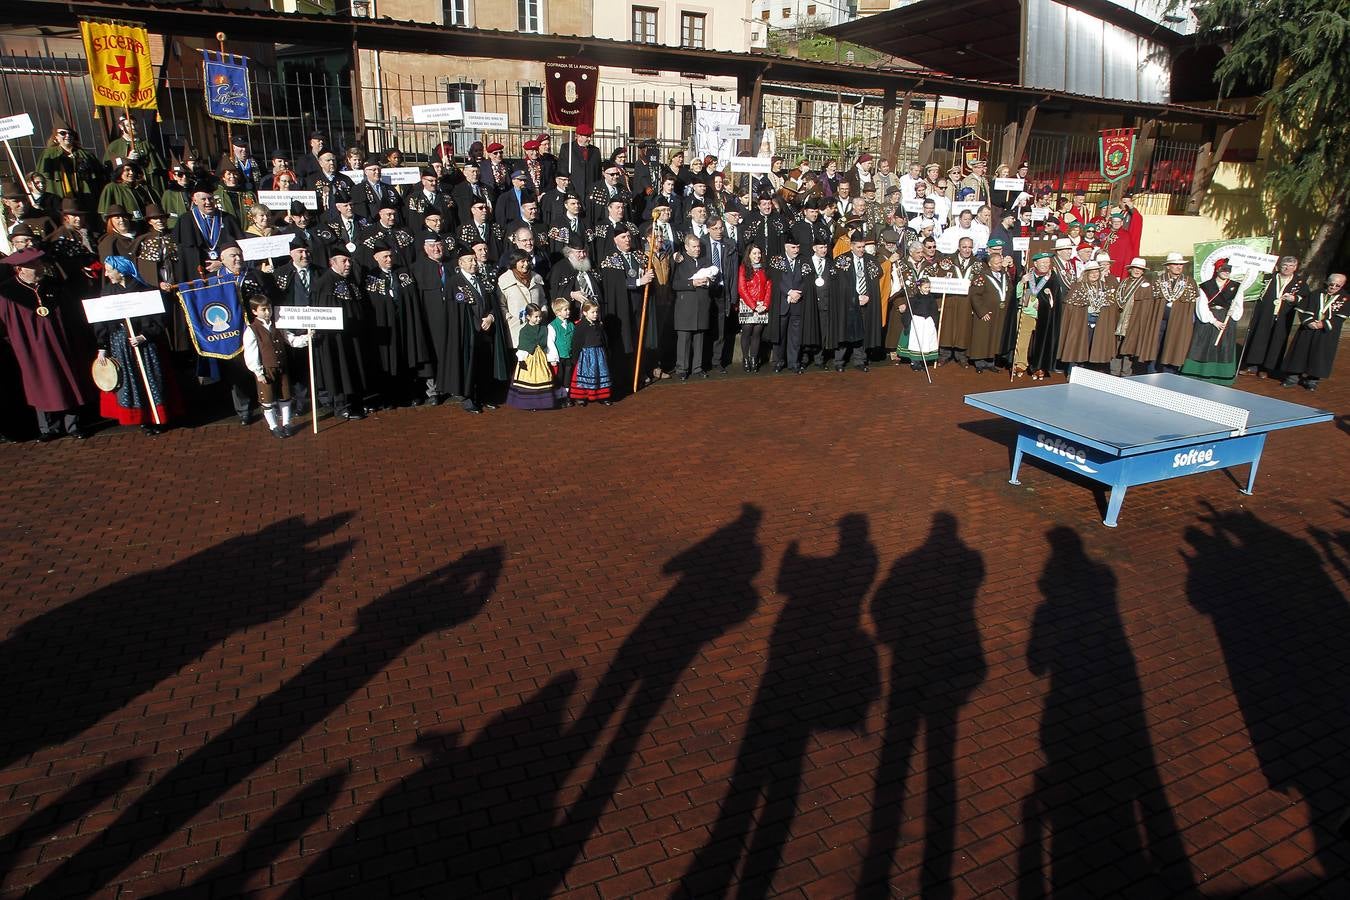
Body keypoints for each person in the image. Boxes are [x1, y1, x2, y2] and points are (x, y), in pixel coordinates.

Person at [0, 247, 91, 440]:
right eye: (33, 265)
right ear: (20, 269)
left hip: (61, 342)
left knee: (68, 378)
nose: (39, 267)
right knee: (39, 382)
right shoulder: (7, 293)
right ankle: (49, 428)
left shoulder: (54, 286)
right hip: (29, 347)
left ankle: (73, 425)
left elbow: (73, 315)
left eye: (39, 263)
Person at [96, 256, 181, 434]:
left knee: (151, 379)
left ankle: (158, 417)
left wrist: (145, 335)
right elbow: (101, 322)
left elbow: (160, 319)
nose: (107, 274)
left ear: (121, 271)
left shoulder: (145, 291)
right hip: (121, 344)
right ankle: (143, 420)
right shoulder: (107, 292)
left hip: (145, 344)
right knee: (131, 381)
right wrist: (102, 347)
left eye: (110, 270)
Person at [365, 239, 430, 408]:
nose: (389, 259)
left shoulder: (403, 273)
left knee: (407, 357)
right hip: (385, 327)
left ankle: (411, 393)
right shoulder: (371, 277)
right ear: (376, 258)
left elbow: (411, 297)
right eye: (385, 256)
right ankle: (389, 397)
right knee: (388, 360)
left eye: (390, 256)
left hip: (404, 323)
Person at [311, 249, 370, 420]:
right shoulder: (325, 283)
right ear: (332, 262)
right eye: (344, 261)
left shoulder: (349, 280)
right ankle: (341, 405)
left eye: (349, 261)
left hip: (353, 335)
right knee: (339, 368)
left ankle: (356, 402)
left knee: (353, 367)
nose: (348, 264)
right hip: (335, 338)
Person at [243, 295, 309, 439]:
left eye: (269, 309)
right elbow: (251, 353)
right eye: (264, 310)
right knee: (267, 400)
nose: (268, 312)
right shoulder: (252, 330)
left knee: (285, 396)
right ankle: (273, 426)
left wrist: (307, 338)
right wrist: (258, 372)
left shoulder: (278, 325)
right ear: (255, 311)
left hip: (282, 367)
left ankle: (286, 424)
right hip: (267, 369)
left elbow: (290, 340)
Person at [1281, 272, 1347, 391]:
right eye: (1332, 284)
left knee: (1320, 354)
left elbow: (1340, 317)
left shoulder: (1345, 298)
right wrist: (1309, 321)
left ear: (1342, 286)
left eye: (1338, 285)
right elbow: (1303, 309)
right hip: (1309, 328)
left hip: (1326, 332)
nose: (1333, 287)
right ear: (1327, 282)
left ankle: (1312, 379)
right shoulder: (1316, 294)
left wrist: (1323, 323)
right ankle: (1293, 376)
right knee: (1300, 351)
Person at [1241, 256, 1305, 378]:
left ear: (1295, 268)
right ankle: (1252, 365)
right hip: (1265, 314)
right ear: (1279, 266)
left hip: (1283, 316)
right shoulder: (1268, 277)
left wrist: (1295, 298)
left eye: (1291, 266)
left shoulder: (1299, 282)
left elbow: (1305, 297)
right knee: (1258, 338)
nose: (1287, 268)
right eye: (1284, 265)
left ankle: (1266, 368)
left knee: (1276, 340)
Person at [1181, 262, 1244, 384]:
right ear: (1217, 270)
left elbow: (1239, 305)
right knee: (1204, 345)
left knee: (1224, 346)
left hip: (1227, 319)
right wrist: (1214, 321)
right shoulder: (1206, 286)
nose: (1226, 272)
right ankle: (1199, 373)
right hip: (1210, 319)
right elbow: (1202, 306)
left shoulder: (1236, 287)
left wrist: (1233, 312)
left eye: (1229, 270)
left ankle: (1221, 376)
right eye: (1224, 269)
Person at [830, 231, 883, 372]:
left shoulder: (870, 260)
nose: (861, 250)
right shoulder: (842, 261)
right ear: (851, 246)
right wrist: (854, 297)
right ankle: (839, 361)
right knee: (845, 329)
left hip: (865, 301)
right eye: (858, 247)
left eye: (863, 247)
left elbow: (875, 281)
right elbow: (841, 284)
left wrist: (867, 295)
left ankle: (859, 359)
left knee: (863, 330)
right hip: (848, 303)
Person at [671, 232, 713, 381]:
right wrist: (691, 283)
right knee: (684, 339)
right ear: (686, 247)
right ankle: (682, 368)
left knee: (699, 338)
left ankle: (697, 367)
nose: (697, 249)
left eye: (699, 246)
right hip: (685, 306)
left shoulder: (705, 261)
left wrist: (709, 281)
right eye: (694, 247)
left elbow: (714, 278)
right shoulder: (679, 262)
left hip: (702, 304)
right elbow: (674, 284)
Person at [767, 236, 811, 374]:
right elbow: (775, 279)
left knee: (795, 336)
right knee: (780, 334)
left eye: (797, 247)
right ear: (786, 247)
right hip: (782, 303)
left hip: (797, 303)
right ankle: (778, 361)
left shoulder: (803, 260)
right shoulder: (777, 260)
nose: (796, 250)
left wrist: (798, 293)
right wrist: (789, 292)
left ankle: (794, 363)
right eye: (793, 247)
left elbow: (808, 279)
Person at [1058, 260, 1112, 371]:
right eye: (1091, 272)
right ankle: (1072, 371)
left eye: (1096, 272)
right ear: (1086, 274)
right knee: (1077, 345)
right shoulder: (1079, 286)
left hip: (1098, 322)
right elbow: (1071, 308)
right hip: (1081, 322)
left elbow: (1109, 304)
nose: (1094, 274)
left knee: (1093, 347)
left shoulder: (1104, 286)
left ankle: (1088, 373)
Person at [1114, 258, 1162, 377]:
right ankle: (1114, 372)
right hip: (1120, 317)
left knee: (1129, 346)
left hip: (1134, 319)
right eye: (1135, 268)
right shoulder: (1123, 282)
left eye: (1140, 269)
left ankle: (1126, 373)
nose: (1137, 271)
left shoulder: (1145, 285)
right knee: (1116, 344)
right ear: (1130, 269)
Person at [1023, 251, 1066, 380]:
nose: (1045, 265)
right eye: (1043, 262)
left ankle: (1040, 366)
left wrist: (1042, 302)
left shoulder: (1052, 277)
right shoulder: (1028, 275)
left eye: (1047, 262)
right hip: (1028, 312)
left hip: (1046, 315)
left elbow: (1055, 298)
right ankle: (1022, 364)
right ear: (1035, 263)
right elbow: (1024, 292)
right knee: (1026, 340)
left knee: (1043, 340)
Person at [36, 121, 101, 206]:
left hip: (84, 199)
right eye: (63, 133)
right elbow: (42, 176)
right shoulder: (49, 154)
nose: (67, 136)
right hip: (60, 199)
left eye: (70, 134)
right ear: (56, 137)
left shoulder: (85, 154)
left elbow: (97, 176)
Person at [506, 303, 557, 410]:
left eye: (540, 316)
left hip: (541, 357)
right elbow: (522, 347)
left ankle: (544, 403)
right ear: (528, 317)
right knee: (529, 379)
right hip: (529, 357)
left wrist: (551, 357)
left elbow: (548, 344)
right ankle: (529, 404)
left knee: (543, 376)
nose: (539, 319)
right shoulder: (524, 331)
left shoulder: (544, 328)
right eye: (536, 317)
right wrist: (521, 360)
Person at [1155, 252, 1200, 373]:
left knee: (1174, 345)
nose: (1179, 267)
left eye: (1181, 264)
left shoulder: (1189, 282)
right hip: (1160, 320)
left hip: (1178, 322)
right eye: (1175, 264)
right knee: (1156, 345)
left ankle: (1169, 373)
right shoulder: (1159, 281)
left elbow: (1192, 305)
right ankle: (1152, 371)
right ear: (1168, 266)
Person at [967, 252, 1012, 373]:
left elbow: (1009, 290)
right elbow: (975, 295)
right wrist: (982, 311)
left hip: (1000, 312)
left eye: (1000, 262)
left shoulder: (1004, 274)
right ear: (989, 263)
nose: (999, 265)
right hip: (986, 312)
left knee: (994, 337)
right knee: (982, 336)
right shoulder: (982, 276)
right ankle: (979, 363)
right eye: (996, 263)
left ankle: (990, 362)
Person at [497, 250, 546, 349]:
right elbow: (501, 305)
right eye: (522, 261)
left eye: (528, 261)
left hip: (536, 329)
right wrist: (510, 319)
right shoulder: (504, 280)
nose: (526, 264)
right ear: (514, 262)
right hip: (515, 330)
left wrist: (544, 313)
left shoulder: (536, 278)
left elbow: (543, 300)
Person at [569, 298, 612, 406]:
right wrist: (575, 358)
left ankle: (602, 396)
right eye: (592, 312)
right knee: (583, 376)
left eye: (597, 312)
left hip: (599, 354)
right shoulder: (580, 326)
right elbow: (576, 343)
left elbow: (604, 339)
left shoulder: (599, 325)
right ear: (585, 312)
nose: (595, 314)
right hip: (585, 355)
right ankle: (581, 397)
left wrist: (606, 352)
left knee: (599, 374)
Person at [736, 243, 772, 373]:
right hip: (747, 304)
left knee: (757, 333)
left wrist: (765, 304)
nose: (757, 256)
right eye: (754, 253)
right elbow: (742, 288)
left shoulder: (764, 268)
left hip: (762, 305)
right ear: (749, 255)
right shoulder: (743, 268)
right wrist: (753, 305)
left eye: (759, 253)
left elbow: (768, 287)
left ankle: (754, 359)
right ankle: (745, 359)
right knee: (747, 331)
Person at [558, 124, 602, 206]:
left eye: (590, 136)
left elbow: (598, 173)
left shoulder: (595, 151)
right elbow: (562, 170)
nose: (589, 139)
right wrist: (568, 188)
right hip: (573, 191)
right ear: (579, 136)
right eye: (587, 137)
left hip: (590, 194)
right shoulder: (567, 148)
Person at [546, 296, 575, 406]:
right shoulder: (552, 326)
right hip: (559, 357)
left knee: (567, 378)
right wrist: (553, 358)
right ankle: (559, 397)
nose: (568, 311)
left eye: (568, 309)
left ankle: (566, 397)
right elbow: (550, 343)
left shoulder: (571, 325)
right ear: (557, 312)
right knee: (559, 378)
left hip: (569, 356)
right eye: (565, 310)